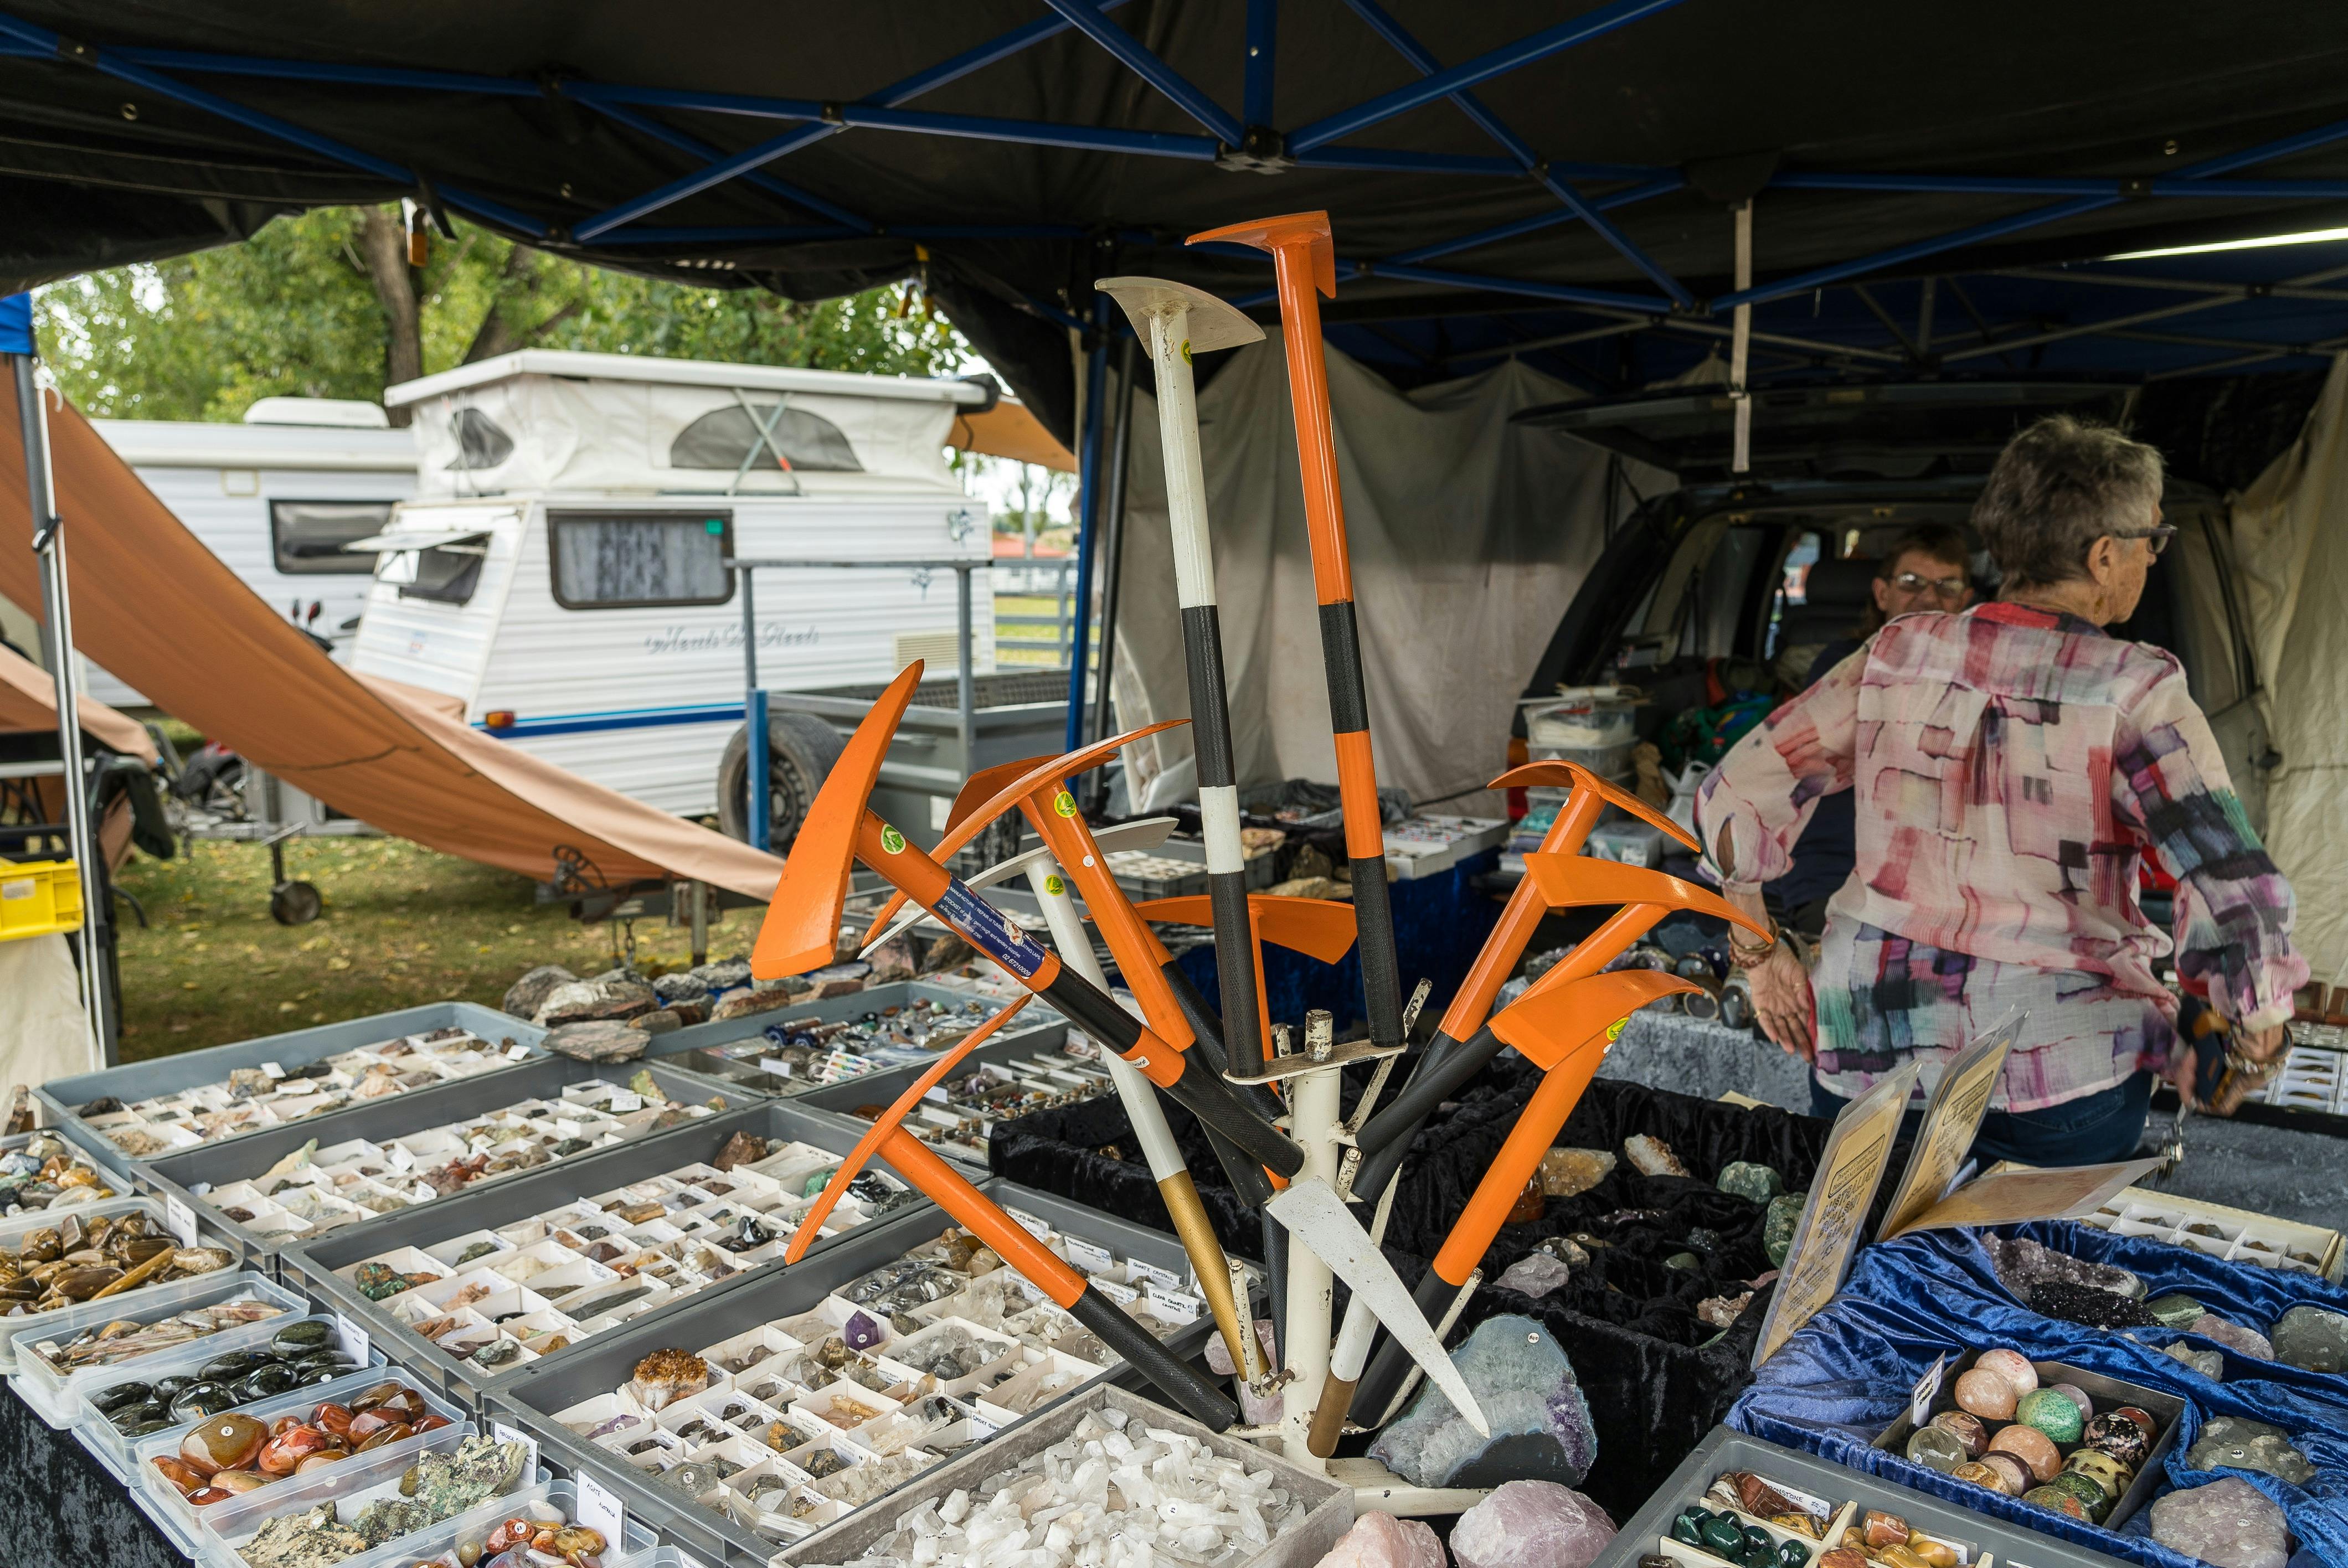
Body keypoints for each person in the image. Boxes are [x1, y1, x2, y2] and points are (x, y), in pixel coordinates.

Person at [1697, 415, 2306, 1165]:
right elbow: (2234, 886)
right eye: (2154, 536)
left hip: (1871, 1050)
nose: (2153, 554)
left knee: (1861, 1261)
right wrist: (2256, 1029)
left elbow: (1736, 792)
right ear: (2103, 554)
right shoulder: (2135, 689)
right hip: (2059, 1073)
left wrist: (1760, 960)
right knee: (2029, 1276)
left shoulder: (1898, 651)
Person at [1767, 527, 1975, 935]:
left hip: (1948, 879)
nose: (1930, 599)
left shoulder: (1982, 676)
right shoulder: (1841, 666)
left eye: (1946, 586)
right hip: (1842, 869)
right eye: (1912, 583)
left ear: (1966, 602)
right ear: (1883, 595)